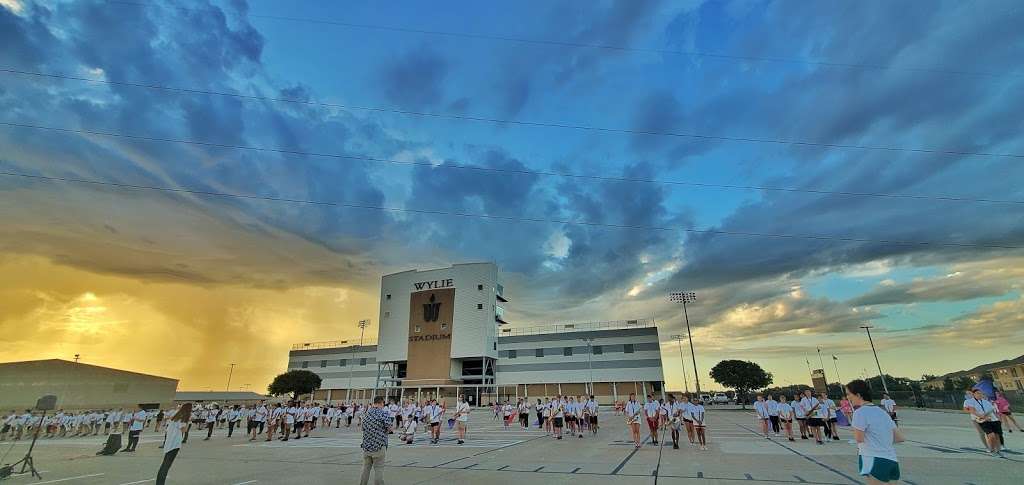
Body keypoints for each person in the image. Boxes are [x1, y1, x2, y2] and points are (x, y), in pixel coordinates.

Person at [847, 379, 903, 484]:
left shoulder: (860, 412)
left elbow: (859, 438)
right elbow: (899, 438)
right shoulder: (882, 412)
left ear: (858, 395)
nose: (848, 397)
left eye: (849, 394)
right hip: (892, 459)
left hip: (874, 459)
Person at [359, 396, 392, 485]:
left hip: (366, 446)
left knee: (365, 469)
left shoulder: (366, 414)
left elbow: (362, 428)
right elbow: (389, 428)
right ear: (381, 403)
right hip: (379, 446)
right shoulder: (383, 414)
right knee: (379, 469)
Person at [156, 403, 191, 485]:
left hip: (169, 442)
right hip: (174, 444)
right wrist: (188, 422)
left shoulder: (176, 415)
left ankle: (159, 482)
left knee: (164, 465)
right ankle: (160, 483)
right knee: (166, 466)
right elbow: (184, 430)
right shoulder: (183, 417)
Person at [964, 387, 1003, 457]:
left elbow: (992, 409)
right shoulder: (968, 401)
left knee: (994, 435)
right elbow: (968, 410)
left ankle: (997, 449)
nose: (968, 394)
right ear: (973, 394)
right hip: (977, 419)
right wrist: (982, 417)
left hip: (989, 419)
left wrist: (996, 417)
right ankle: (989, 447)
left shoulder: (985, 401)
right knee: (983, 433)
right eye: (967, 393)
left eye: (980, 393)